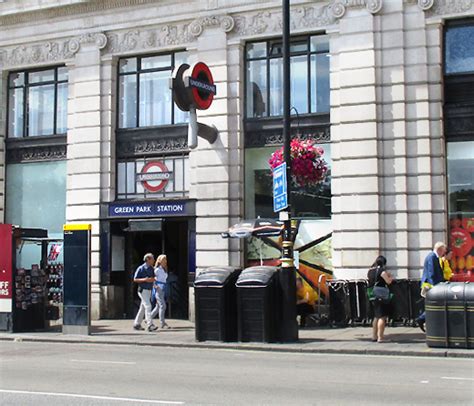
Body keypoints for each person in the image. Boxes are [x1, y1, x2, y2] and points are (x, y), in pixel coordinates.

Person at [416, 242, 447, 332]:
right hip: (429, 285)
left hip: (432, 284)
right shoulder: (432, 257)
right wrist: (435, 287)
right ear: (439, 249)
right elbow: (431, 273)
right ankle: (422, 318)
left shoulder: (434, 257)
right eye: (443, 251)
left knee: (433, 304)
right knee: (433, 304)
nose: (443, 254)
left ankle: (423, 319)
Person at [367, 256, 394, 343]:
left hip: (372, 294)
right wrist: (390, 276)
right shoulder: (382, 271)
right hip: (381, 295)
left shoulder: (370, 271)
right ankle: (380, 337)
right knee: (382, 316)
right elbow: (388, 281)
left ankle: (374, 336)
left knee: (376, 316)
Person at [133, 253, 158, 332]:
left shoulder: (151, 268)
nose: (154, 260)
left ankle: (137, 323)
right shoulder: (141, 268)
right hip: (142, 290)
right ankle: (150, 325)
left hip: (149, 289)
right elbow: (135, 279)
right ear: (148, 259)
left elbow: (154, 278)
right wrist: (145, 279)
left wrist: (153, 281)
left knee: (143, 308)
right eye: (152, 259)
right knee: (148, 306)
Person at [151, 254, 170, 329]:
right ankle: (162, 323)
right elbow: (153, 278)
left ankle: (149, 318)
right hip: (158, 288)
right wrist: (155, 286)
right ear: (159, 261)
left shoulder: (164, 269)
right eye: (163, 260)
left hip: (163, 288)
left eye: (165, 259)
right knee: (163, 305)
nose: (165, 261)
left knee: (158, 306)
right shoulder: (157, 270)